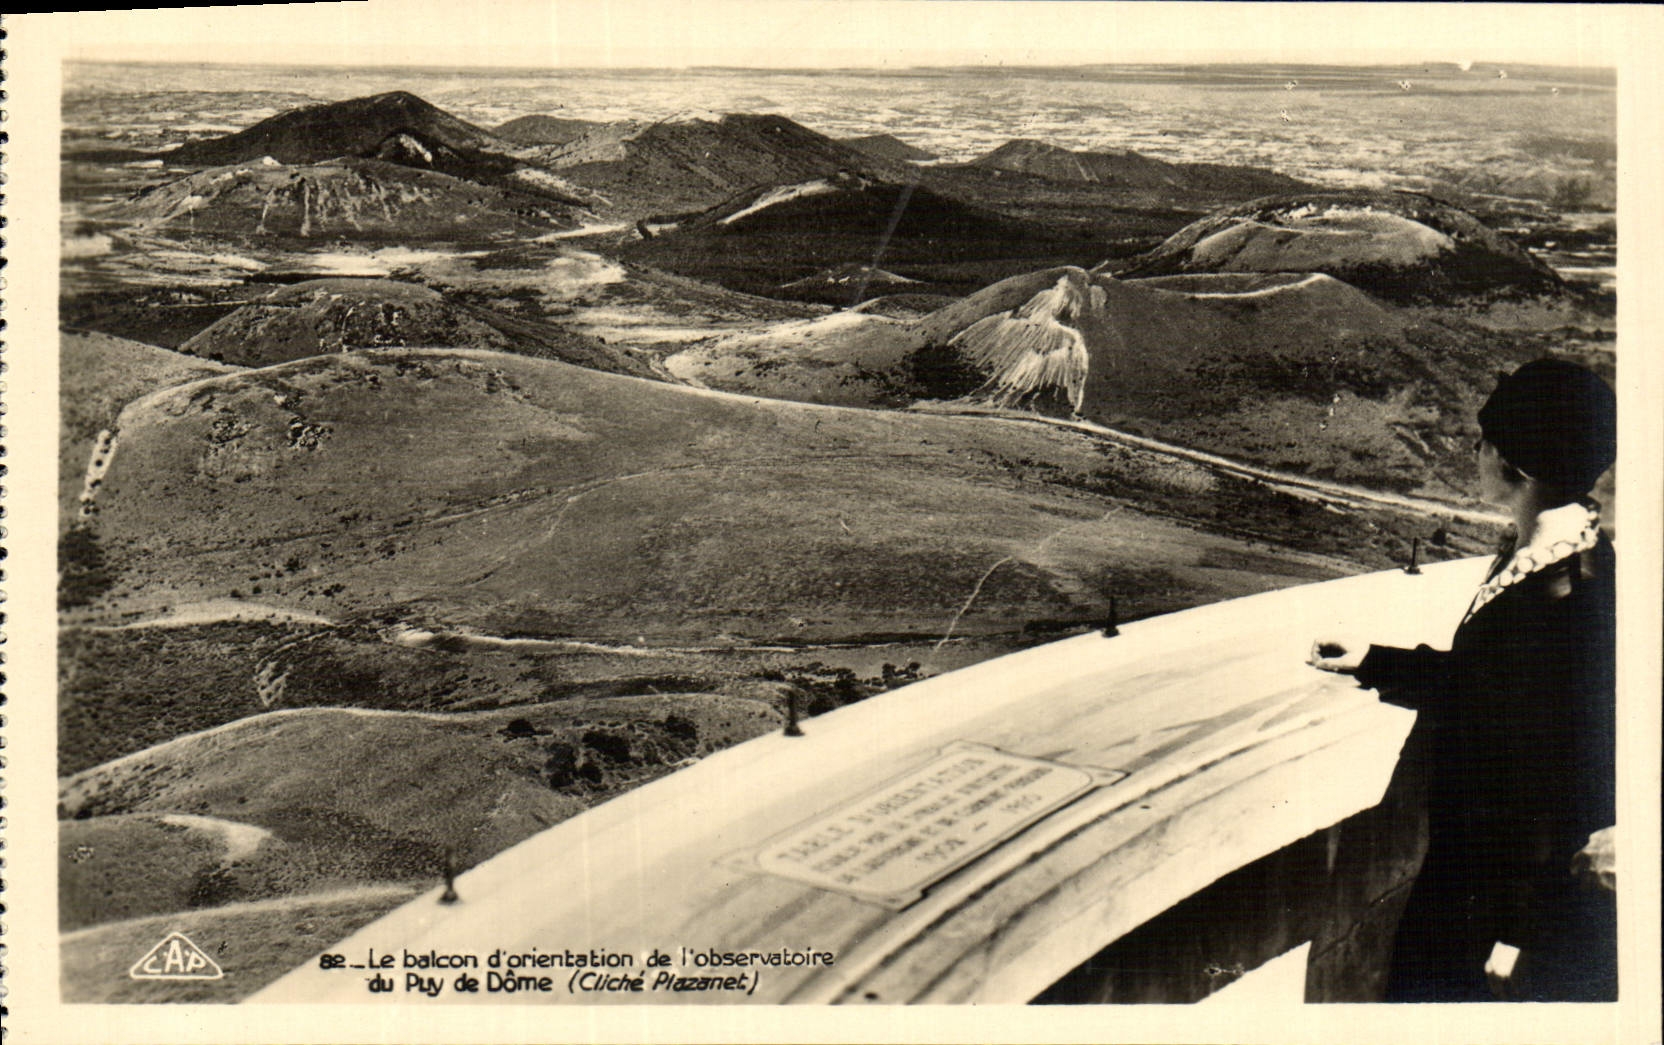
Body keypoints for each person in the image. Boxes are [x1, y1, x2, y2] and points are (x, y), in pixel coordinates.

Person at [1310, 358, 1617, 1002]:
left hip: (1491, 897)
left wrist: (1522, 932)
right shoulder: (1561, 557)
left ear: (1516, 467)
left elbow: (1559, 773)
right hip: (1479, 879)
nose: (1474, 453)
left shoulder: (1562, 592)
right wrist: (1374, 660)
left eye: (1485, 442)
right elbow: (1488, 690)